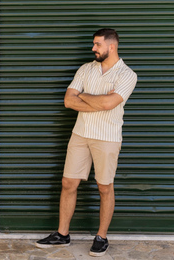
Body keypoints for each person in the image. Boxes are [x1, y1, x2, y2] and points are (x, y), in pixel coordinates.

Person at [36, 29, 137, 257]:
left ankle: (101, 237)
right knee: (68, 183)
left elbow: (108, 104)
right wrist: (97, 101)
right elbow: (68, 100)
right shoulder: (85, 69)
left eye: (97, 44)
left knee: (104, 187)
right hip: (80, 134)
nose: (93, 48)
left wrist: (83, 96)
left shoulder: (127, 74)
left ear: (111, 47)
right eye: (94, 44)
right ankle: (62, 234)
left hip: (107, 137)